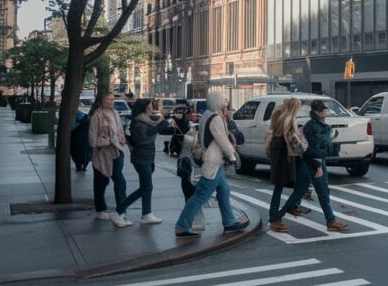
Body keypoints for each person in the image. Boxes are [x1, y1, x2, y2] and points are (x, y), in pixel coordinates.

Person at [174, 91, 249, 238]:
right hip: (213, 161)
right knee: (200, 195)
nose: (224, 101)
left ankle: (229, 222)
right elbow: (222, 139)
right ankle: (182, 226)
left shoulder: (207, 115)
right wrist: (232, 156)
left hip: (213, 160)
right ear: (217, 102)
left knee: (224, 190)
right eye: (222, 99)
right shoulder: (215, 118)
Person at [279, 100, 349, 232]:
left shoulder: (320, 126)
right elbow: (315, 147)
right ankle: (331, 221)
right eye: (323, 110)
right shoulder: (312, 127)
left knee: (302, 192)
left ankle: (278, 216)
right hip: (313, 162)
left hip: (314, 162)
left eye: (326, 110)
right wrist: (318, 166)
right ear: (317, 112)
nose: (326, 112)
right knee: (321, 192)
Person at [117, 99, 168, 225]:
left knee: (146, 187)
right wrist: (159, 127)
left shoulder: (146, 120)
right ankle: (119, 210)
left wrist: (162, 124)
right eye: (150, 105)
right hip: (141, 157)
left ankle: (147, 214)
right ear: (145, 107)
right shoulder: (138, 122)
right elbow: (142, 140)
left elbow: (154, 130)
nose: (152, 108)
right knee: (146, 187)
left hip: (147, 157)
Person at [90, 92, 131, 227]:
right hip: (102, 154)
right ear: (101, 101)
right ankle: (100, 209)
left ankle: (121, 211)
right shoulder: (97, 115)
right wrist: (105, 142)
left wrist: (122, 141)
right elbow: (92, 140)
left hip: (116, 151)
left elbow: (120, 130)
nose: (111, 101)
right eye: (108, 99)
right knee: (101, 182)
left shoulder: (115, 113)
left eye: (113, 99)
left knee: (120, 181)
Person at [264, 98, 304, 233]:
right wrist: (303, 148)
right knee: (290, 184)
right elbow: (293, 138)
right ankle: (276, 217)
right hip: (284, 153)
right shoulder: (288, 119)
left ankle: (285, 210)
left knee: (281, 186)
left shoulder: (278, 114)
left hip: (277, 150)